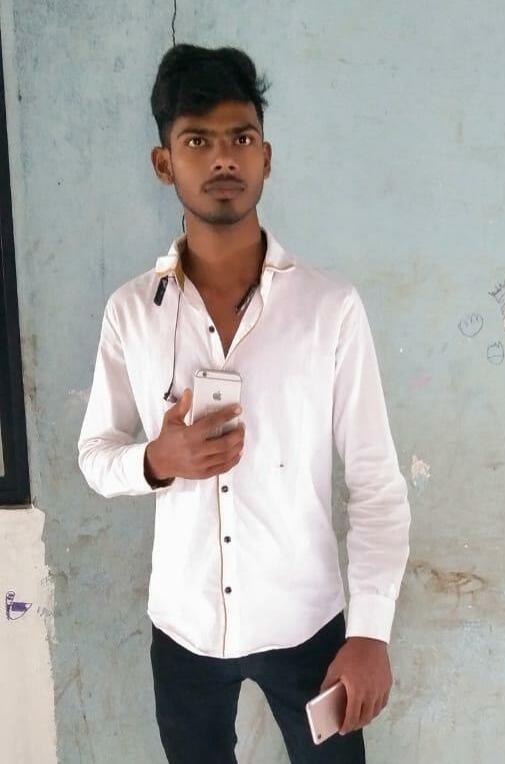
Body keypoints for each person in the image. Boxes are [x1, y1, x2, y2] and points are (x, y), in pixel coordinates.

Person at [77, 42, 411, 764]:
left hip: (309, 627)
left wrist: (371, 632)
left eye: (241, 137)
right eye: (197, 141)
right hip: (185, 631)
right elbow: (95, 457)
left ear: (266, 157)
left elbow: (377, 482)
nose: (223, 158)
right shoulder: (132, 312)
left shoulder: (329, 308)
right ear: (164, 163)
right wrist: (156, 460)